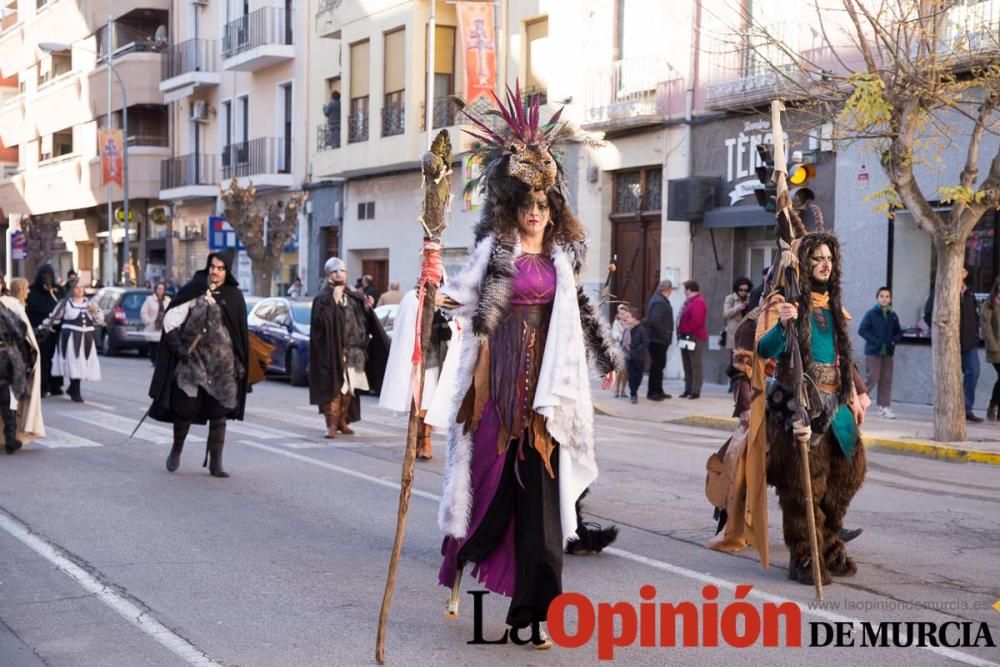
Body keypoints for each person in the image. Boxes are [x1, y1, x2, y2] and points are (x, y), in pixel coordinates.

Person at [435, 88, 622, 647]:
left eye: (543, 206)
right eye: (527, 206)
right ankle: (462, 559)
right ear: (513, 209)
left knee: (542, 515)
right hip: (496, 387)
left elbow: (582, 312)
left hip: (547, 395)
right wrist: (432, 292)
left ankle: (534, 613)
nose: (536, 213)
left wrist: (608, 357)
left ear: (553, 209)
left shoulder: (564, 259)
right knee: (488, 491)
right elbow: (462, 295)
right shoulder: (497, 250)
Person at [757, 233, 867, 584]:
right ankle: (805, 555)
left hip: (838, 409)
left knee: (850, 474)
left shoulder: (835, 308)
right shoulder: (790, 305)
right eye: (818, 258)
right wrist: (785, 323)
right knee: (804, 489)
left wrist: (855, 394)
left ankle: (829, 543)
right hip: (802, 406)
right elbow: (764, 348)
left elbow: (843, 360)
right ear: (804, 264)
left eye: (829, 259)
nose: (824, 263)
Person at [147, 250, 249, 478]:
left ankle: (216, 462)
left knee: (218, 412)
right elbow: (171, 320)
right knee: (185, 409)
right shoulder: (195, 289)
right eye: (213, 266)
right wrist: (180, 349)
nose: (215, 271)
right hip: (193, 362)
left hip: (221, 365)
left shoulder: (233, 296)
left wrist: (239, 362)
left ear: (227, 271)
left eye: (221, 268)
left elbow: (239, 333)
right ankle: (176, 449)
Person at [309, 257, 388, 439]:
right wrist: (333, 303)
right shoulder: (323, 298)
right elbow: (320, 324)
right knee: (335, 388)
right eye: (335, 271)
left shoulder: (353, 296)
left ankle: (342, 420)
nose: (339, 274)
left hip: (355, 351)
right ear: (328, 274)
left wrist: (367, 308)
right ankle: (331, 424)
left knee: (350, 389)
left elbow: (363, 322)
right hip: (335, 351)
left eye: (342, 271)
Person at [378, 285, 453, 459]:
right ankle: (416, 441)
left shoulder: (441, 299)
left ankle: (426, 441)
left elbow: (447, 331)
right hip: (414, 360)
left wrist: (438, 311)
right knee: (416, 403)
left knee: (428, 402)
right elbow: (403, 331)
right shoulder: (411, 298)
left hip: (433, 359)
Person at [0, 286, 43, 454]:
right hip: (7, 356)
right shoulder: (8, 304)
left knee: (8, 397)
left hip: (7, 359)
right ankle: (10, 438)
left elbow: (20, 330)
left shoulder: (8, 304)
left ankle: (10, 437)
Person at [48, 281, 103, 403]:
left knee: (83, 363)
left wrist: (95, 312)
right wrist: (45, 327)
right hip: (71, 338)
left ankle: (73, 388)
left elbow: (100, 321)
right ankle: (75, 391)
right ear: (71, 290)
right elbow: (54, 318)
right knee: (74, 363)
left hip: (87, 338)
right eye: (76, 288)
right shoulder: (65, 303)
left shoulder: (91, 303)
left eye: (81, 287)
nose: (79, 290)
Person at [858, 287, 903, 419]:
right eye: (882, 296)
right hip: (873, 352)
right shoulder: (871, 314)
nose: (884, 299)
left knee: (886, 380)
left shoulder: (893, 315)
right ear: (877, 298)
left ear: (890, 299)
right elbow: (862, 330)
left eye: (887, 296)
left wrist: (894, 341)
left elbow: (898, 332)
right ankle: (858, 402)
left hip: (888, 353)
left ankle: (884, 407)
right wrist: (875, 341)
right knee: (872, 379)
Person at [26, 264, 65, 397]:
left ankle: (55, 385)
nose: (47, 279)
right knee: (42, 359)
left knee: (56, 358)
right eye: (44, 276)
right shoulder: (32, 291)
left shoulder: (58, 290)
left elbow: (64, 307)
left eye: (49, 276)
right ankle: (42, 386)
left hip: (56, 331)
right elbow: (29, 310)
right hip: (40, 331)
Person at [643, 280, 674, 401]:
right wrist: (665, 335)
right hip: (657, 340)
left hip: (657, 339)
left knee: (659, 366)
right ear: (668, 289)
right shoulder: (660, 302)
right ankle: (653, 392)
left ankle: (659, 390)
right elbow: (655, 321)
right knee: (656, 366)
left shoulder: (658, 299)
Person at [677, 279, 707, 399]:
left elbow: (697, 320)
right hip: (685, 336)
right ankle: (688, 389)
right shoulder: (689, 301)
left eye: (684, 289)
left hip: (695, 336)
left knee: (695, 364)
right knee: (687, 364)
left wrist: (684, 329)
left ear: (689, 289)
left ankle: (695, 390)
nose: (684, 291)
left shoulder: (698, 301)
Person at [960, 267, 982, 422]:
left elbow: (975, 316)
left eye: (962, 271)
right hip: (950, 342)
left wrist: (975, 332)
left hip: (969, 342)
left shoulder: (970, 293)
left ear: (965, 274)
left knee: (973, 372)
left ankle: (966, 407)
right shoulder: (942, 290)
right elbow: (929, 314)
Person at [980, 277, 1000, 421]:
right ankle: (993, 405)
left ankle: (995, 408)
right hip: (996, 348)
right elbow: (986, 327)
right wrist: (993, 347)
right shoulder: (989, 304)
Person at [140, 281, 171, 365]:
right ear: (156, 289)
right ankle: (154, 360)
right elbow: (143, 312)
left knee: (162, 345)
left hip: (163, 326)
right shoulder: (150, 300)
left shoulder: (167, 300)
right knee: (153, 345)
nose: (160, 290)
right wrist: (148, 321)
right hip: (153, 327)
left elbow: (171, 311)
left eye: (162, 289)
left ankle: (160, 361)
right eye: (159, 289)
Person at [623, 306, 648, 404]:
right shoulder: (627, 329)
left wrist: (637, 351)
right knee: (631, 377)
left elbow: (645, 342)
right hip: (629, 357)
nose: (626, 319)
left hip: (639, 358)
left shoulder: (641, 329)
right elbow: (623, 341)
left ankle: (635, 388)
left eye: (628, 317)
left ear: (634, 318)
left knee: (638, 377)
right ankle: (633, 394)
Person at [722, 277, 752, 352]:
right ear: (736, 289)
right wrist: (738, 307)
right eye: (741, 290)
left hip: (746, 332)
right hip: (734, 332)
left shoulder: (749, 298)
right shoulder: (730, 298)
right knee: (734, 357)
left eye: (746, 290)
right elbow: (725, 314)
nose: (743, 292)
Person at [610, 303, 630, 398]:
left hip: (627, 349)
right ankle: (616, 390)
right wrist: (619, 336)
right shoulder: (616, 323)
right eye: (620, 313)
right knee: (619, 371)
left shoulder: (629, 322)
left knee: (626, 372)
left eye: (623, 313)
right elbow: (614, 334)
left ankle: (623, 391)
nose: (621, 315)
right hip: (619, 349)